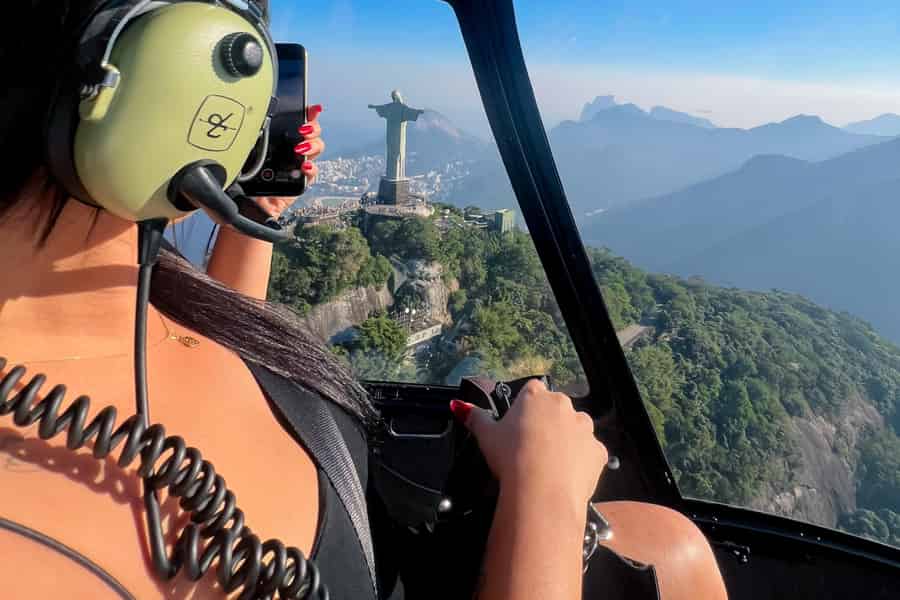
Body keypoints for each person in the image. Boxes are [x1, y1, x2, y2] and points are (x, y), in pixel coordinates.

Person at [0, 2, 727, 600]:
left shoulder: (147, 290)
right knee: (679, 553)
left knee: (672, 542)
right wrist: (545, 494)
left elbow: (225, 344)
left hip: (383, 547)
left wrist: (258, 210)